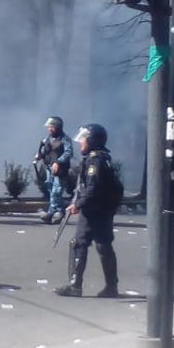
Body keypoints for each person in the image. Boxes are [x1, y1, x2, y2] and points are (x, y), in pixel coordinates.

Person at [55, 123, 120, 298]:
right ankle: (111, 287)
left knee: (78, 244)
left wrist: (78, 204)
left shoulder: (95, 161)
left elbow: (92, 188)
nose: (81, 143)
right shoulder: (102, 157)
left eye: (84, 139)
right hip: (103, 209)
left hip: (93, 210)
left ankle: (75, 286)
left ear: (92, 141)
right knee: (103, 245)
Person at [35, 116, 73, 224]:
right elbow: (46, 152)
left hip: (60, 169)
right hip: (49, 168)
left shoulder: (65, 139)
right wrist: (40, 156)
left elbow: (68, 153)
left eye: (52, 127)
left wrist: (58, 162)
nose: (49, 129)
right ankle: (53, 210)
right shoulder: (48, 139)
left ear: (58, 127)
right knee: (51, 189)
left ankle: (59, 211)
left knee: (57, 190)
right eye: (49, 127)